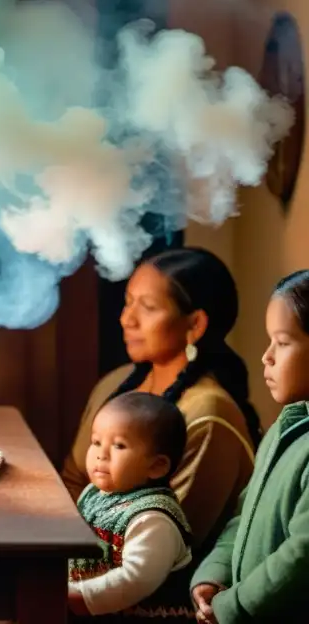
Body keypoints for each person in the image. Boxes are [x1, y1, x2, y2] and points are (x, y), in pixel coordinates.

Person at [62, 248, 259, 557]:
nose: (126, 319)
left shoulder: (208, 414)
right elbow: (73, 478)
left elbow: (164, 545)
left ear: (195, 325)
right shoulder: (115, 384)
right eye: (128, 302)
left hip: (160, 588)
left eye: (148, 307)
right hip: (88, 559)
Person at [189, 270, 309, 623]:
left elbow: (302, 554)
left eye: (282, 342)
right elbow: (243, 516)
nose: (266, 357)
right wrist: (214, 574)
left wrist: (233, 605)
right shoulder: (282, 430)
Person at [68, 392, 195, 620]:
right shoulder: (95, 493)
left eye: (118, 445)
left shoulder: (153, 519)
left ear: (156, 466)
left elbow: (135, 579)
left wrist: (78, 597)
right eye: (96, 442)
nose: (101, 455)